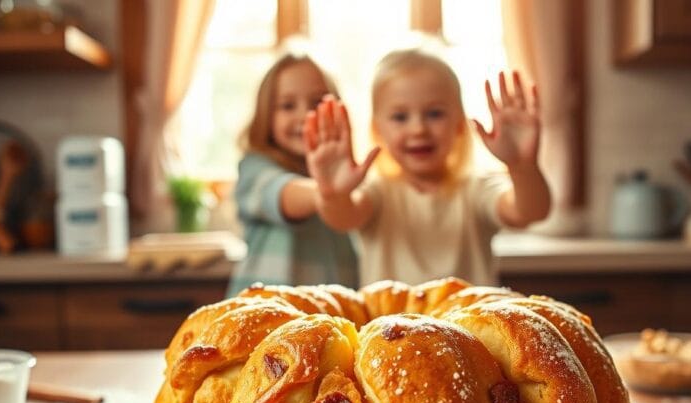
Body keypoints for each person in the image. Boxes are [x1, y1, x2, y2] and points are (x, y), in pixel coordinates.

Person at [303, 48, 552, 286]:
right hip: (391, 330)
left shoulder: (476, 189)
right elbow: (343, 217)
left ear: (459, 124)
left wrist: (522, 166)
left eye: (434, 114)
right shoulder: (378, 192)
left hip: (464, 330)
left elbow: (528, 212)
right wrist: (332, 193)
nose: (418, 128)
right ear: (378, 130)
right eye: (400, 117)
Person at [227, 54, 360, 296]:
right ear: (266, 116)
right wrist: (326, 193)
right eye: (287, 105)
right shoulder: (255, 167)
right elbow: (281, 193)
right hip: (264, 316)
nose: (305, 115)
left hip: (333, 315)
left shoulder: (345, 177)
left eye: (317, 103)